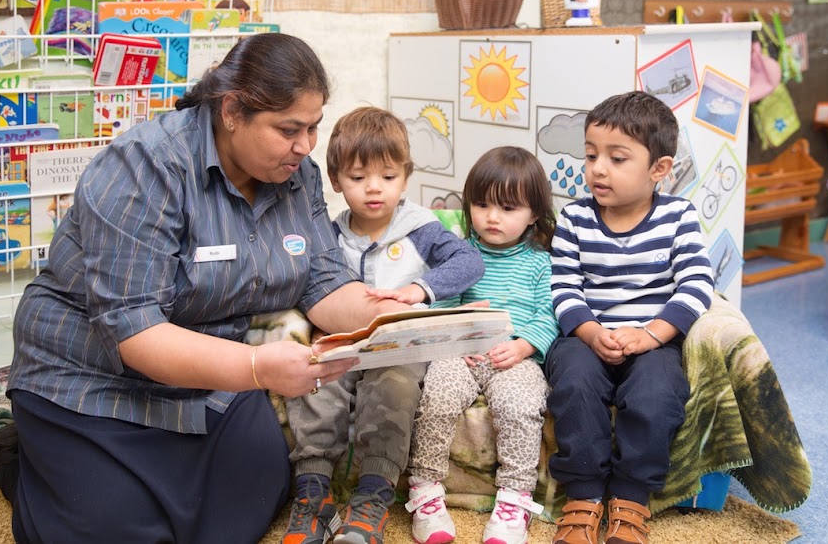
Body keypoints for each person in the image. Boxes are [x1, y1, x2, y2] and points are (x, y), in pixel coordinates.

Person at [6, 33, 415, 544]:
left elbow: (322, 280)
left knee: (260, 493)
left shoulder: (298, 176)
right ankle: (22, 457)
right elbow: (135, 333)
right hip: (93, 378)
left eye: (313, 127)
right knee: (114, 529)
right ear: (231, 112)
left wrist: (390, 318)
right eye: (289, 129)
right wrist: (257, 368)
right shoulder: (144, 167)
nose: (306, 146)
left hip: (209, 373)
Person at [283, 106, 484, 544]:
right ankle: (313, 493)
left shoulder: (421, 229)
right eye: (358, 179)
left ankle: (372, 496)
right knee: (315, 385)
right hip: (345, 345)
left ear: (405, 178)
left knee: (393, 388)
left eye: (388, 177)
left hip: (401, 348)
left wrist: (421, 289)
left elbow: (470, 262)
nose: (374, 189)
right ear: (335, 181)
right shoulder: (330, 235)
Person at [547, 92, 714, 544]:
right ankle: (582, 496)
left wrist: (651, 335)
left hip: (652, 341)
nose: (598, 168)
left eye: (617, 158)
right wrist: (590, 331)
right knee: (574, 383)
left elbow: (698, 285)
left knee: (658, 393)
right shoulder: (575, 218)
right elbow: (563, 287)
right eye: (591, 155)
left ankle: (630, 499)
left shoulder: (678, 217)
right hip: (588, 337)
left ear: (659, 169)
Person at [406, 146, 559, 544]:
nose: (492, 217)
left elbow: (550, 314)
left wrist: (525, 346)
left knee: (522, 405)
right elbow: (445, 303)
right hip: (462, 353)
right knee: (436, 393)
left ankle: (514, 498)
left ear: (534, 215)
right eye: (482, 204)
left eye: (508, 208)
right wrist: (459, 336)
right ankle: (424, 488)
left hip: (514, 358)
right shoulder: (460, 253)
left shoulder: (542, 262)